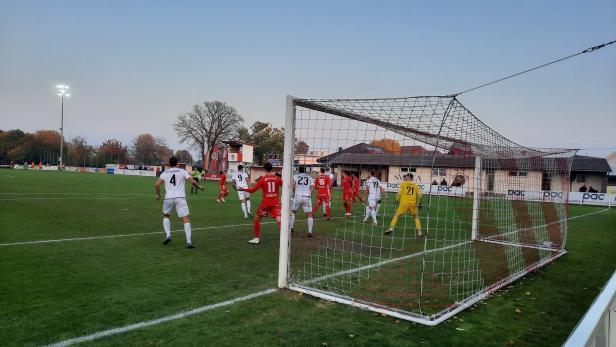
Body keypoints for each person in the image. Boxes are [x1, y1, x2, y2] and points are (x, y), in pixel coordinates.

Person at [155, 156, 203, 248]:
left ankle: (168, 235)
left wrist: (158, 194)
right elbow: (192, 181)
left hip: (168, 198)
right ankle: (189, 242)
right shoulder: (182, 171)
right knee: (185, 218)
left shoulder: (165, 173)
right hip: (180, 197)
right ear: (177, 163)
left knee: (166, 215)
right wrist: (199, 186)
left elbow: (157, 184)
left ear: (169, 164)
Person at [239, 162, 282, 244]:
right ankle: (284, 238)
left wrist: (243, 189)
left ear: (264, 169)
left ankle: (256, 238)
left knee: (257, 218)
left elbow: (253, 190)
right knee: (279, 220)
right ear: (271, 168)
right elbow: (286, 186)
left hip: (265, 204)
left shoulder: (263, 179)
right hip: (275, 203)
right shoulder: (277, 178)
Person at [290, 166, 315, 236]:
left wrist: (295, 191)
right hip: (307, 197)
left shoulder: (295, 176)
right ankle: (310, 232)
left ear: (298, 170)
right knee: (310, 214)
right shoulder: (309, 177)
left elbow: (292, 185)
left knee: (293, 211)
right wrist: (310, 193)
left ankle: (291, 227)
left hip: (298, 196)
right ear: (305, 171)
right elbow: (313, 187)